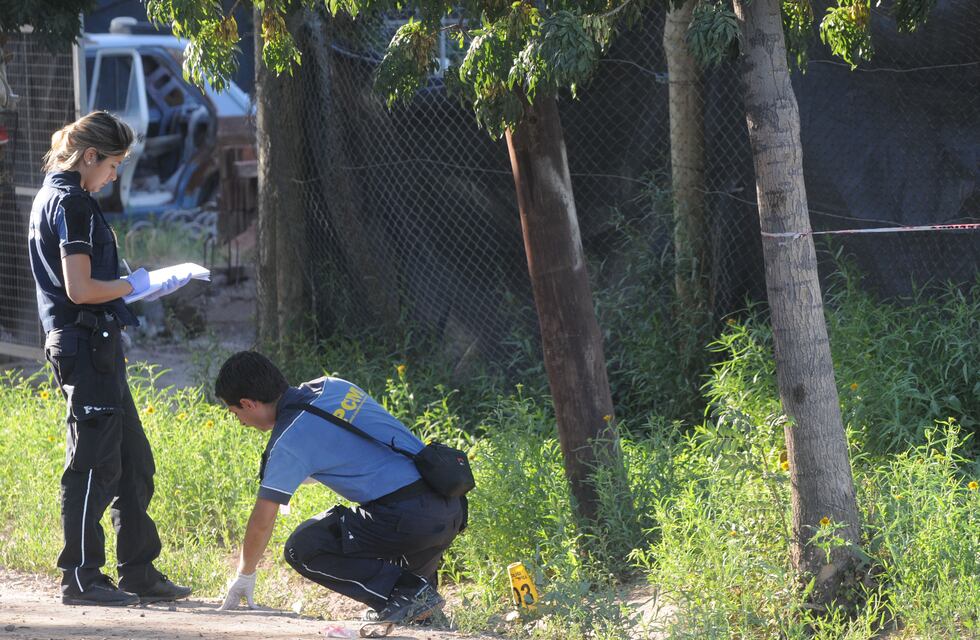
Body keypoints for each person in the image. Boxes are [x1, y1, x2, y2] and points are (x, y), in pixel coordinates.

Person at [29, 111, 192, 606]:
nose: (115, 176)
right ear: (90, 156)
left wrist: (131, 287)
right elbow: (80, 289)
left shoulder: (61, 196)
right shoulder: (70, 202)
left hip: (96, 345)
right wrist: (137, 285)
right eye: (114, 165)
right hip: (84, 346)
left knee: (133, 462)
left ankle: (137, 572)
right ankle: (80, 578)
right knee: (94, 467)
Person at [213, 351, 465, 625]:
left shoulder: (287, 440)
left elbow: (262, 521)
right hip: (449, 502)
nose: (240, 422)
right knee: (415, 611)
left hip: (409, 519)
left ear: (248, 403)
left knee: (304, 546)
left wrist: (245, 574)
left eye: (235, 413)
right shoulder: (332, 386)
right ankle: (422, 610)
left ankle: (410, 595)